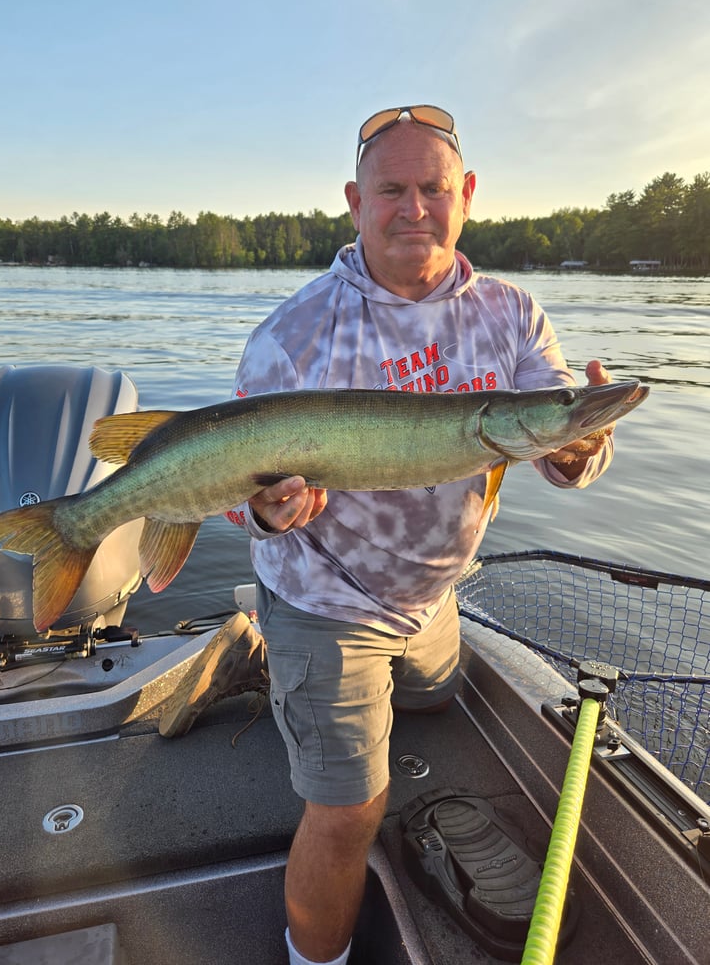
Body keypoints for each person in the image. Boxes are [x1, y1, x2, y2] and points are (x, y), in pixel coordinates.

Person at [160, 105, 614, 965]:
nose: (415, 208)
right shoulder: (293, 335)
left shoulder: (512, 315)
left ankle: (256, 657)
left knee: (439, 702)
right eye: (392, 190)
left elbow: (555, 434)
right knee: (348, 810)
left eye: (433, 189)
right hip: (327, 598)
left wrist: (581, 442)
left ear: (467, 196)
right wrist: (263, 512)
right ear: (355, 201)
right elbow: (235, 496)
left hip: (432, 596)